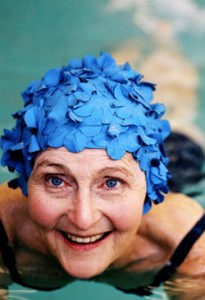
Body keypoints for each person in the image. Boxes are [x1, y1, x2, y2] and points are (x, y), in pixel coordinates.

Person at [0, 52, 204, 299]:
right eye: (56, 180)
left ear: (147, 189)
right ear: (25, 181)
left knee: (176, 103)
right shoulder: (5, 230)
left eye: (111, 183)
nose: (83, 220)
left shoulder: (188, 245)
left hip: (181, 165)